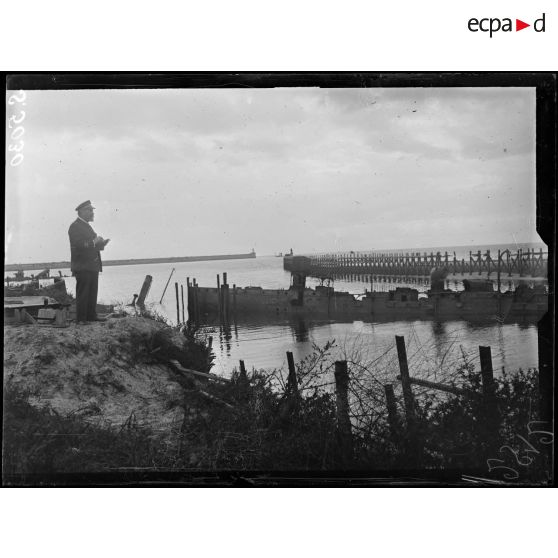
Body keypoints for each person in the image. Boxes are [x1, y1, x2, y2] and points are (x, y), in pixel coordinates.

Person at [68, 200, 110, 324]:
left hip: (92, 265)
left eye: (92, 210)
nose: (92, 213)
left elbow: (92, 246)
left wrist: (102, 243)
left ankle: (91, 316)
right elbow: (79, 245)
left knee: (92, 291)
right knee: (83, 292)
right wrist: (94, 241)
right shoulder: (75, 226)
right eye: (90, 210)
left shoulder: (86, 226)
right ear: (81, 212)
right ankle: (81, 319)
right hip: (82, 266)